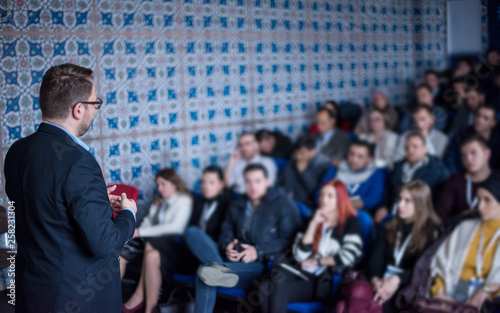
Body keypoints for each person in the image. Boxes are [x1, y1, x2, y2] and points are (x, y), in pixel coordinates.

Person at [4, 64, 137, 312]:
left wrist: (95, 201)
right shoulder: (79, 162)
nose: (94, 111)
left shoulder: (17, 151)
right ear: (79, 109)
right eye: (94, 103)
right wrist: (128, 213)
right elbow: (105, 243)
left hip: (30, 290)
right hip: (77, 296)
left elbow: (46, 208)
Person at [183, 164, 301, 313]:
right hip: (229, 257)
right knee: (193, 232)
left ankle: (217, 270)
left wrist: (257, 251)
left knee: (204, 273)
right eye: (248, 181)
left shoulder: (283, 205)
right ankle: (218, 267)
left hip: (257, 265)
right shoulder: (238, 203)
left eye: (257, 181)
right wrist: (227, 246)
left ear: (267, 182)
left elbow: (288, 240)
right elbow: (226, 231)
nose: (253, 186)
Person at [258, 180, 363, 313]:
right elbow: (299, 255)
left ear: (340, 199)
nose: (324, 199)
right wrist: (313, 224)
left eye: (330, 196)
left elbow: (349, 256)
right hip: (301, 272)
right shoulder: (312, 219)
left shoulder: (351, 223)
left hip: (323, 281)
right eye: (322, 195)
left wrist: (317, 261)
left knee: (269, 288)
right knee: (266, 286)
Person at [337, 180, 441, 313]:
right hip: (379, 281)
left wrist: (396, 280)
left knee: (343, 307)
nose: (400, 204)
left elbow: (423, 268)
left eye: (407, 201)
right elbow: (374, 260)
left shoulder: (432, 232)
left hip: (406, 287)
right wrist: (375, 281)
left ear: (420, 205)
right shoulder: (390, 226)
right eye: (399, 199)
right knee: (358, 289)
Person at [120, 168, 193, 313]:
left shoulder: (184, 200)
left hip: (174, 245)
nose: (159, 188)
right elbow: (148, 221)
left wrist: (140, 232)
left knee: (150, 246)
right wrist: (140, 231)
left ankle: (139, 298)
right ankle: (113, 302)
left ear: (173, 183)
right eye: (157, 185)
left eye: (163, 184)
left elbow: (175, 228)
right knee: (121, 253)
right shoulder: (159, 200)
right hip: (150, 241)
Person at [429, 172, 500, 312]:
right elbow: (441, 264)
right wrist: (440, 293)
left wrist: (487, 289)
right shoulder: (465, 227)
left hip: (489, 300)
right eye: (478, 199)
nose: (480, 206)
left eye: (487, 200)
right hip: (452, 290)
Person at [374, 131, 449, 224]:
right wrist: (382, 207)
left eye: (415, 147)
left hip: (419, 216)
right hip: (394, 211)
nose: (410, 150)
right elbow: (387, 191)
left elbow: (437, 200)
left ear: (425, 149)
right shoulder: (397, 167)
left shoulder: (438, 170)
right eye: (407, 147)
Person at [436, 135, 499, 226]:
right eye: (464, 155)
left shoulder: (497, 178)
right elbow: (441, 213)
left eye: (473, 153)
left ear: (487, 154)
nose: (468, 158)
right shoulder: (455, 180)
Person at [318, 141, 385, 211]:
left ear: (369, 159)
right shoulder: (336, 167)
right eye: (352, 154)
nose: (354, 159)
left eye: (360, 157)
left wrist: (342, 204)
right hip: (328, 209)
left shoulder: (375, 173)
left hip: (356, 213)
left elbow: (373, 199)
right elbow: (321, 190)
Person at [444, 105, 500, 174]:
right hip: (459, 176)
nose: (479, 120)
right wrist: (457, 177)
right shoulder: (461, 135)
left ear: (493, 123)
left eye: (486, 118)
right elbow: (450, 158)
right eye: (478, 115)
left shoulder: (498, 142)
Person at [278, 135, 331, 207]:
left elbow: (316, 192)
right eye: (296, 153)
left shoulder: (322, 165)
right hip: (285, 201)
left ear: (312, 152)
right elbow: (281, 182)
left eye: (302, 153)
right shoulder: (293, 161)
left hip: (304, 206)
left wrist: (304, 172)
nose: (298, 156)